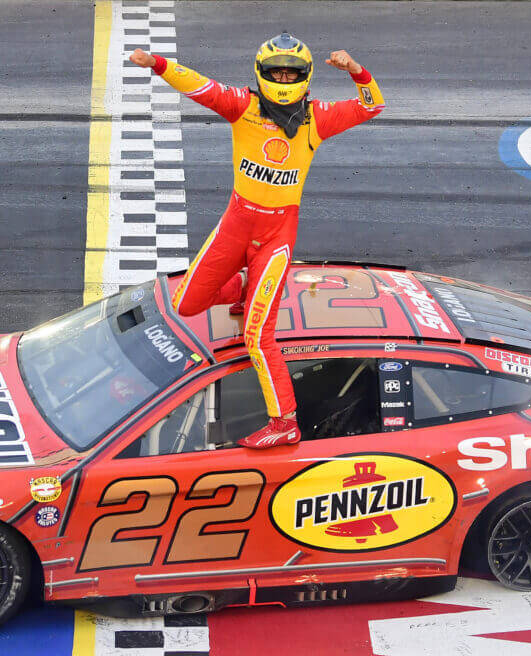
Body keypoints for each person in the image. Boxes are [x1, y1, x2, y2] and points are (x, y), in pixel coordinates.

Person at [129, 32, 384, 449]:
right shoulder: (242, 106)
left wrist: (357, 71)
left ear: (306, 76)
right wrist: (156, 63)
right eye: (276, 73)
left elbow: (373, 105)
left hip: (277, 236)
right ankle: (250, 288)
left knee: (256, 334)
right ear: (261, 73)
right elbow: (200, 85)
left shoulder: (317, 117)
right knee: (186, 303)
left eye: (292, 73)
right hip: (236, 224)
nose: (283, 80)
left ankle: (284, 421)